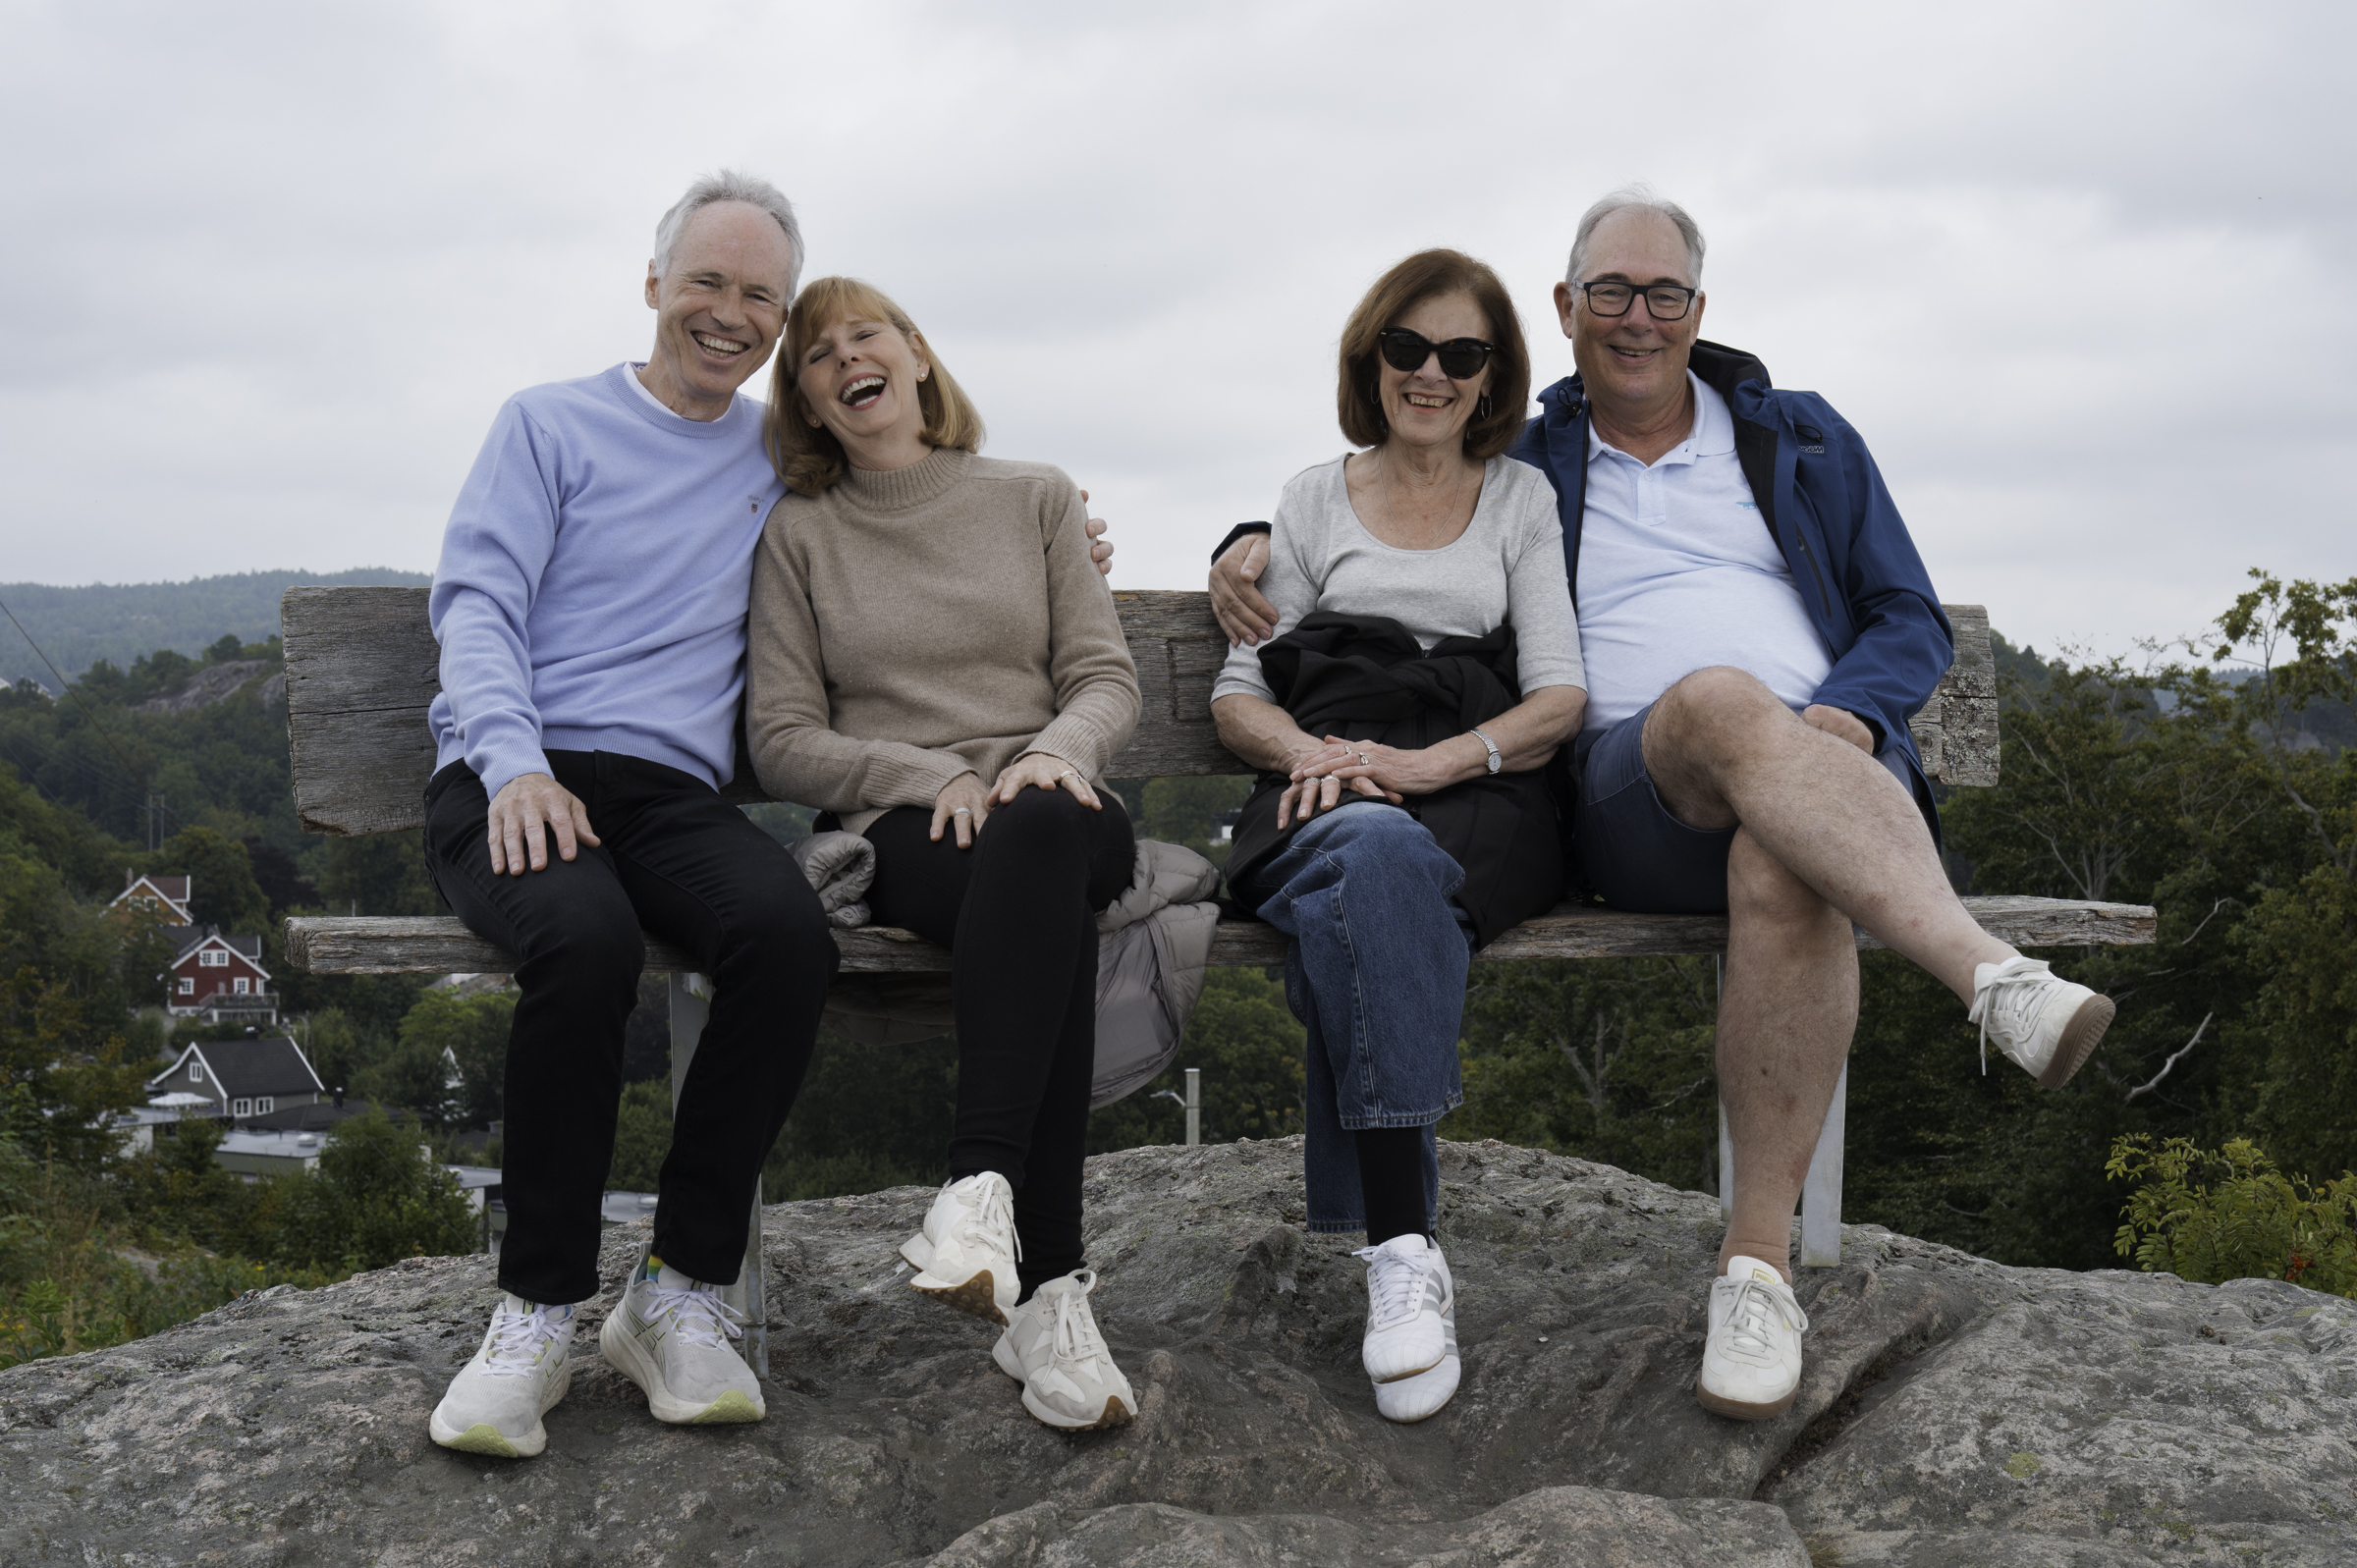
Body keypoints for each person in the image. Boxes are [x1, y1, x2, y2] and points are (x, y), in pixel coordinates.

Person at [1207, 188, 2117, 1424]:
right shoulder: (1530, 459)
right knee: (1718, 701)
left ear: (1701, 309)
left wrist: (1849, 709)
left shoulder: (1801, 438)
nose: (1639, 317)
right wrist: (1249, 537)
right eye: (1613, 293)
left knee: (1783, 854)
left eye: (1665, 294)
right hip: (1641, 788)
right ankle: (1990, 977)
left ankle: (1754, 1275)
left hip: (1829, 780)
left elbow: (1906, 614)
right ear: (1566, 308)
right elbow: (1397, 488)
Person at [420, 172, 1121, 1461]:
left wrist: (1054, 528)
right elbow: (476, 605)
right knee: (580, 948)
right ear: (652, 286)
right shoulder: (548, 425)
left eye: (758, 295)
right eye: (705, 282)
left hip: (668, 795)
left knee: (785, 935)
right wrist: (514, 764)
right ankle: (536, 1314)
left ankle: (681, 1287)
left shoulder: (776, 461)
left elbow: (905, 500)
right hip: (514, 777)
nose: (729, 313)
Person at [744, 277, 1144, 1433]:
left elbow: (1103, 676)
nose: (845, 360)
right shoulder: (800, 535)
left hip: (1056, 800)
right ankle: (1053, 1292)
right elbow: (780, 737)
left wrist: (1046, 756)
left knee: (1044, 843)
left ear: (917, 355)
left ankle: (977, 1192)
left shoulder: (1033, 496)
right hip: (908, 832)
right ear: (810, 405)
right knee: (1049, 916)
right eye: (816, 357)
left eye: (865, 335)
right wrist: (933, 777)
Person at [1210, 250, 1585, 1426]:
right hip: (1330, 774)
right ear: (1371, 360)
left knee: (1374, 883)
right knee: (1368, 861)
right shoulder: (1310, 500)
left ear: (1492, 377)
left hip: (1478, 778)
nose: (1431, 373)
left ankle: (1394, 1243)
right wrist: (1310, 756)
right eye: (1408, 349)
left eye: (1461, 354)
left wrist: (1431, 764)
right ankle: (1405, 1246)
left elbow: (1561, 694)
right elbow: (1237, 689)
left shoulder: (1521, 498)